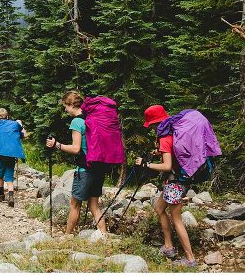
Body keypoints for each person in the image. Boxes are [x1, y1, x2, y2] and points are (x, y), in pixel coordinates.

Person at [46, 91, 122, 234]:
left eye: (65, 107)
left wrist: (57, 145)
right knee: (94, 205)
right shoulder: (92, 118)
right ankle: (104, 235)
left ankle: (67, 236)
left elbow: (76, 149)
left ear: (71, 105)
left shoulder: (77, 121)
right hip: (98, 167)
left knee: (75, 205)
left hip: (85, 169)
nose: (65, 110)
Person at [135, 104, 196, 268]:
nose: (152, 128)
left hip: (175, 182)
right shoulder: (172, 131)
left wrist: (146, 165)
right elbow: (172, 152)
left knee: (177, 220)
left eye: (152, 125)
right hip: (177, 181)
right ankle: (168, 247)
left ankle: (190, 260)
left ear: (156, 123)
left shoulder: (164, 137)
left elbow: (167, 166)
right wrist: (159, 153)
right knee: (159, 208)